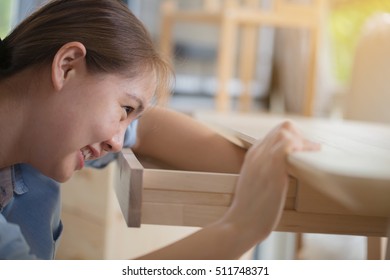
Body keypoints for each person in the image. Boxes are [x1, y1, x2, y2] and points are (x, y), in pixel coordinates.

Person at [0, 0, 320, 260]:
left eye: (130, 116)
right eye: (125, 109)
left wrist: (275, 166)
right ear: (67, 65)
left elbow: (153, 130)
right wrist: (238, 229)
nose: (119, 141)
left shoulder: (41, 139)